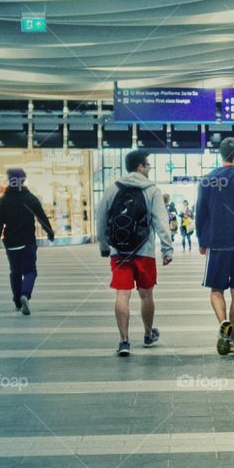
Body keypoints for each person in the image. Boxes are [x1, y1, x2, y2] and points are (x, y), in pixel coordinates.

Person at [97, 149, 173, 356]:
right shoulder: (152, 190)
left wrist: (104, 246)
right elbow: (160, 221)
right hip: (144, 251)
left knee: (122, 294)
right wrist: (167, 248)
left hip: (119, 251)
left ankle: (124, 341)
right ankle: (148, 334)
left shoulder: (112, 189)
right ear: (140, 167)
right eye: (148, 165)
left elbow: (101, 219)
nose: (149, 168)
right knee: (146, 294)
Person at [198, 138, 234, 355]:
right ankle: (233, 338)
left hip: (216, 243)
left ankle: (223, 322)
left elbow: (201, 211)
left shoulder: (208, 180)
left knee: (216, 290)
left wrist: (202, 240)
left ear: (221, 155)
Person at [0, 168, 55, 313]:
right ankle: (25, 294)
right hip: (28, 243)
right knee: (30, 271)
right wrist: (50, 233)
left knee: (15, 272)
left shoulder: (3, 200)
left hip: (11, 244)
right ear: (23, 180)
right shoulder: (30, 198)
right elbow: (41, 217)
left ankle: (17, 301)